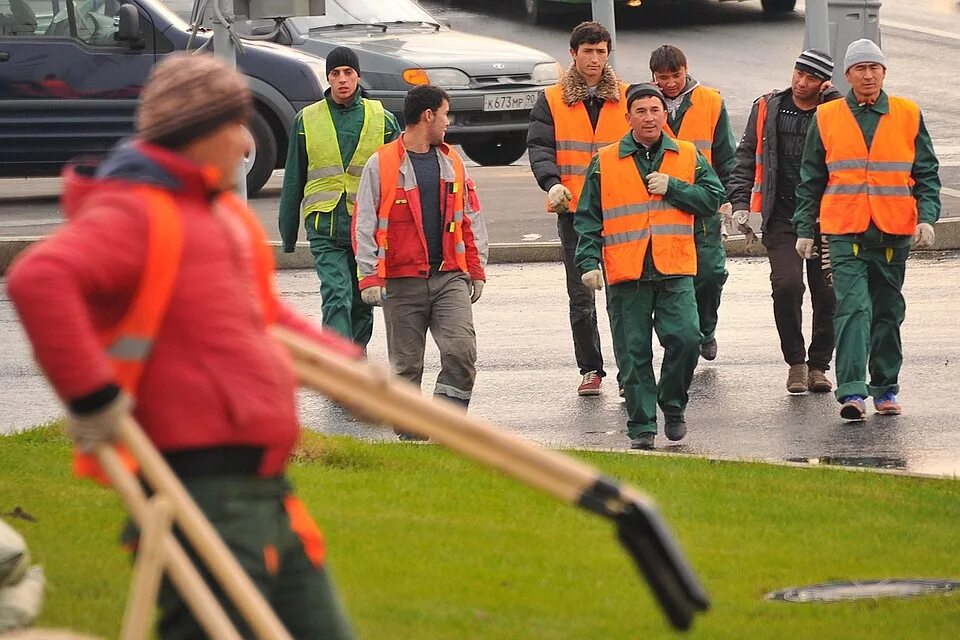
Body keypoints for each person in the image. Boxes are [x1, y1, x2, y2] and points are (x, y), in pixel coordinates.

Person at [6, 53, 357, 639]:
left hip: (265, 484)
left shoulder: (224, 219)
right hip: (198, 486)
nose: (248, 144)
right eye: (237, 127)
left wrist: (347, 369)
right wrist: (93, 397)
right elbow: (38, 278)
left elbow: (262, 318)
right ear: (202, 135)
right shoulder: (137, 213)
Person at [794, 39, 941, 421]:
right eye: (860, 68)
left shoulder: (907, 114)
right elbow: (811, 177)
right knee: (854, 309)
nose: (868, 74)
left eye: (874, 67)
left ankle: (886, 387)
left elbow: (925, 172)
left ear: (884, 72)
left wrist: (927, 215)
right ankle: (853, 391)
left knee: (888, 313)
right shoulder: (826, 118)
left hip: (893, 231)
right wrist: (804, 228)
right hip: (845, 231)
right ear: (847, 76)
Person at [574, 83, 724, 450]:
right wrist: (588, 260)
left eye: (655, 110)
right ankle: (641, 425)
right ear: (628, 118)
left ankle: (673, 406)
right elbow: (588, 215)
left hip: (674, 268)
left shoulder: (687, 155)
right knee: (633, 352)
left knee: (688, 339)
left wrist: (673, 187)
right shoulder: (606, 160)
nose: (649, 117)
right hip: (628, 273)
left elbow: (713, 198)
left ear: (665, 114)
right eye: (640, 111)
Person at [353, 85, 488, 439]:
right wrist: (370, 277)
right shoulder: (381, 163)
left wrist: (475, 269)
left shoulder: (452, 161)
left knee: (461, 352)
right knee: (406, 368)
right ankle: (412, 440)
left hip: (449, 278)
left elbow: (470, 218)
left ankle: (445, 428)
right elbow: (365, 223)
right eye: (445, 113)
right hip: (401, 282)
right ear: (427, 115)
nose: (448, 121)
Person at [727, 50, 841, 395]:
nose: (801, 82)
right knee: (787, 286)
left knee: (828, 294)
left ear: (824, 84)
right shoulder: (767, 107)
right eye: (798, 73)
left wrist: (835, 101)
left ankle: (819, 365)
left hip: (827, 217)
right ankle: (796, 362)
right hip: (782, 216)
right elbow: (746, 155)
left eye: (811, 78)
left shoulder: (834, 111)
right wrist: (740, 202)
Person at [527, 21, 629, 396]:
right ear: (573, 54)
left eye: (601, 51)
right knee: (581, 296)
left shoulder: (626, 96)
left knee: (622, 293)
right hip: (573, 212)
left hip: (620, 210)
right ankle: (590, 369)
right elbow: (539, 148)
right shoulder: (552, 99)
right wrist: (551, 183)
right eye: (588, 51)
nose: (595, 59)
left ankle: (628, 371)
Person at [279, 46, 400, 350]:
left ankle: (354, 359)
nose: (342, 79)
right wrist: (288, 233)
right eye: (336, 73)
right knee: (336, 293)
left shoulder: (383, 119)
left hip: (367, 229)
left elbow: (399, 178)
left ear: (358, 76)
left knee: (363, 300)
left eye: (348, 72)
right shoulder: (306, 120)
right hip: (325, 226)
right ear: (328, 78)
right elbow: (294, 177)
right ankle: (339, 361)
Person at [649, 44, 736, 362]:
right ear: (654, 77)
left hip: (704, 201)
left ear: (686, 70)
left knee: (710, 274)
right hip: (660, 202)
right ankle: (682, 338)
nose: (670, 83)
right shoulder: (647, 103)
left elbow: (726, 154)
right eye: (663, 77)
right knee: (669, 278)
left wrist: (729, 198)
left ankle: (706, 331)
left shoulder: (710, 101)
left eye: (676, 75)